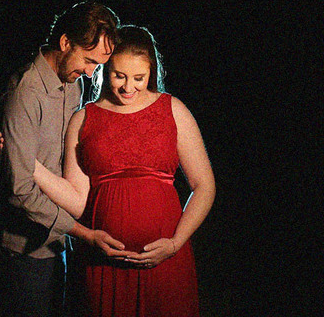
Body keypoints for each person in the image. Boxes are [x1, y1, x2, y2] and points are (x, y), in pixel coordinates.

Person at [33, 26, 215, 317]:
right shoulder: (84, 118)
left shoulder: (173, 109)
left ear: (151, 72)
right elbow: (76, 201)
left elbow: (204, 185)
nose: (128, 87)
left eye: (139, 78)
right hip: (102, 262)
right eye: (119, 76)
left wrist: (175, 243)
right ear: (105, 70)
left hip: (167, 260)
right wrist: (28, 165)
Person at [0, 1, 128, 317]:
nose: (91, 73)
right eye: (89, 60)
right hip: (25, 251)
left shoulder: (74, 84)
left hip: (59, 244)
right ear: (65, 42)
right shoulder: (25, 92)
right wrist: (84, 233)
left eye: (99, 65)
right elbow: (20, 189)